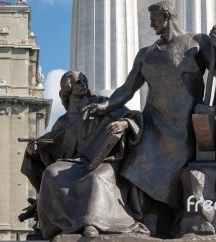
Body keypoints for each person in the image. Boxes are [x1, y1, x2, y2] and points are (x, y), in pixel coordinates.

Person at [82, 1, 216, 236]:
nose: (151, 23)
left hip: (184, 127)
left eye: (154, 18)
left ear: (167, 14)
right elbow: (126, 90)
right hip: (153, 123)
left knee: (170, 175)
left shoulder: (197, 42)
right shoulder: (146, 54)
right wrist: (103, 106)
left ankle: (166, 221)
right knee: (134, 164)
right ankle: (140, 220)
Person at [21, 71, 148, 239]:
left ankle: (92, 223)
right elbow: (51, 147)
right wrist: (34, 150)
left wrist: (123, 124)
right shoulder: (63, 121)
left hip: (105, 158)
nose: (83, 84)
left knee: (96, 178)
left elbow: (134, 116)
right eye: (78, 82)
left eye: (84, 81)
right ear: (68, 88)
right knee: (51, 173)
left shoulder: (102, 103)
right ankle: (58, 226)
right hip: (76, 162)